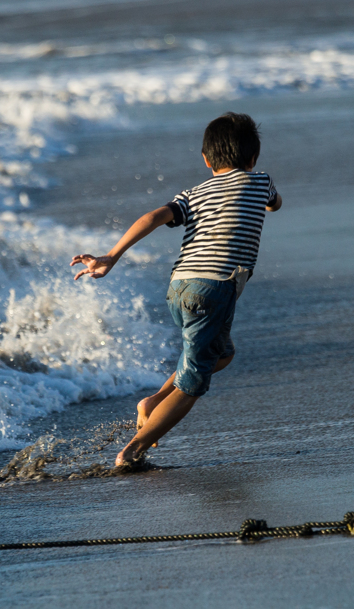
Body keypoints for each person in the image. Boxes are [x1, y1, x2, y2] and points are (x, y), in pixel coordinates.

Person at [70, 112, 282, 466]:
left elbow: (153, 216)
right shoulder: (260, 181)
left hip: (180, 287)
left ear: (206, 159)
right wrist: (268, 201)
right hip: (215, 289)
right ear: (253, 158)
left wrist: (111, 256)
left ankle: (152, 401)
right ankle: (132, 451)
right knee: (193, 384)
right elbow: (274, 203)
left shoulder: (193, 194)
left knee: (221, 355)